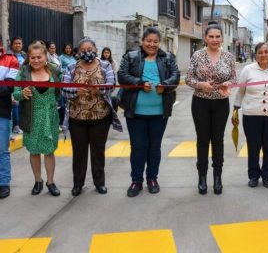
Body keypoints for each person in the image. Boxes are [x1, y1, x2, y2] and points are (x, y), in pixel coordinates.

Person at [118, 27, 180, 198]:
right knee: (137, 147)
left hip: (159, 112)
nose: (151, 44)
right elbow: (122, 76)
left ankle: (152, 179)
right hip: (135, 112)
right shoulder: (130, 57)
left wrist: (165, 86)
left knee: (154, 147)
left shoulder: (168, 58)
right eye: (148, 41)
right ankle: (136, 181)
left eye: (155, 41)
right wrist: (139, 82)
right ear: (142, 41)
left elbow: (175, 76)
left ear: (159, 43)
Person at [62, 37, 122, 197]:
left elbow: (111, 86)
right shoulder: (71, 67)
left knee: (98, 152)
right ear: (78, 52)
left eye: (90, 49)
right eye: (83, 50)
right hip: (77, 119)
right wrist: (75, 91)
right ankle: (78, 184)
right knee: (79, 153)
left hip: (100, 118)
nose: (86, 52)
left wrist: (100, 89)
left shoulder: (105, 65)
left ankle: (99, 182)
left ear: (95, 50)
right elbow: (63, 89)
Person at [185, 22, 236, 195]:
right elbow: (188, 79)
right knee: (202, 139)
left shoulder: (229, 56)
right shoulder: (197, 55)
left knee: (218, 139)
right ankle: (201, 176)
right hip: (200, 102)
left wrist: (228, 84)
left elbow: (234, 79)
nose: (215, 40)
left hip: (221, 102)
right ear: (205, 38)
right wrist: (199, 84)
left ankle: (217, 176)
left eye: (217, 36)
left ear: (221, 38)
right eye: (211, 36)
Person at [234, 42, 268, 188]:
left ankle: (267, 176)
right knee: (253, 148)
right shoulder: (248, 70)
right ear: (256, 55)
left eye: (266, 52)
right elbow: (240, 91)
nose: (263, 55)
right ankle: (253, 175)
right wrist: (235, 109)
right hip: (251, 116)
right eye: (260, 52)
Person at [13, 41, 62, 196]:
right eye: (32, 57)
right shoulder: (23, 72)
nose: (35, 60)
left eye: (39, 57)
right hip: (32, 117)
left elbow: (59, 93)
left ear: (45, 56)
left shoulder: (54, 70)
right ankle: (38, 180)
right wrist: (23, 94)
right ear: (29, 58)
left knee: (49, 151)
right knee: (34, 151)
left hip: (50, 117)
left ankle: (50, 181)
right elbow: (15, 94)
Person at [0, 37, 19, 199]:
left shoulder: (10, 60)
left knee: (2, 150)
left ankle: (3, 183)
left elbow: (8, 88)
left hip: (2, 112)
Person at [8, 37, 26, 135]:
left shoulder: (24, 55)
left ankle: (20, 124)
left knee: (21, 104)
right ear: (12, 45)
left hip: (23, 82)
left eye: (19, 43)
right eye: (16, 43)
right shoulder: (9, 55)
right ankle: (15, 126)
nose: (18, 45)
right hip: (13, 82)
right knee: (15, 103)